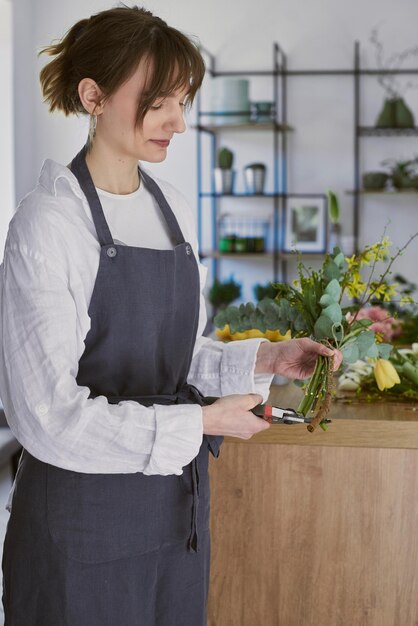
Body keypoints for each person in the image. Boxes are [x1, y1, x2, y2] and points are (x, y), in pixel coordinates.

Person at [0, 5, 342, 625]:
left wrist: (267, 357)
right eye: (158, 101)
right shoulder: (50, 224)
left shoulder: (173, 211)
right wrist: (200, 423)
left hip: (172, 519)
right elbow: (46, 417)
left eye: (183, 101)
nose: (178, 122)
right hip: (81, 535)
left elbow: (175, 353)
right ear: (93, 95)